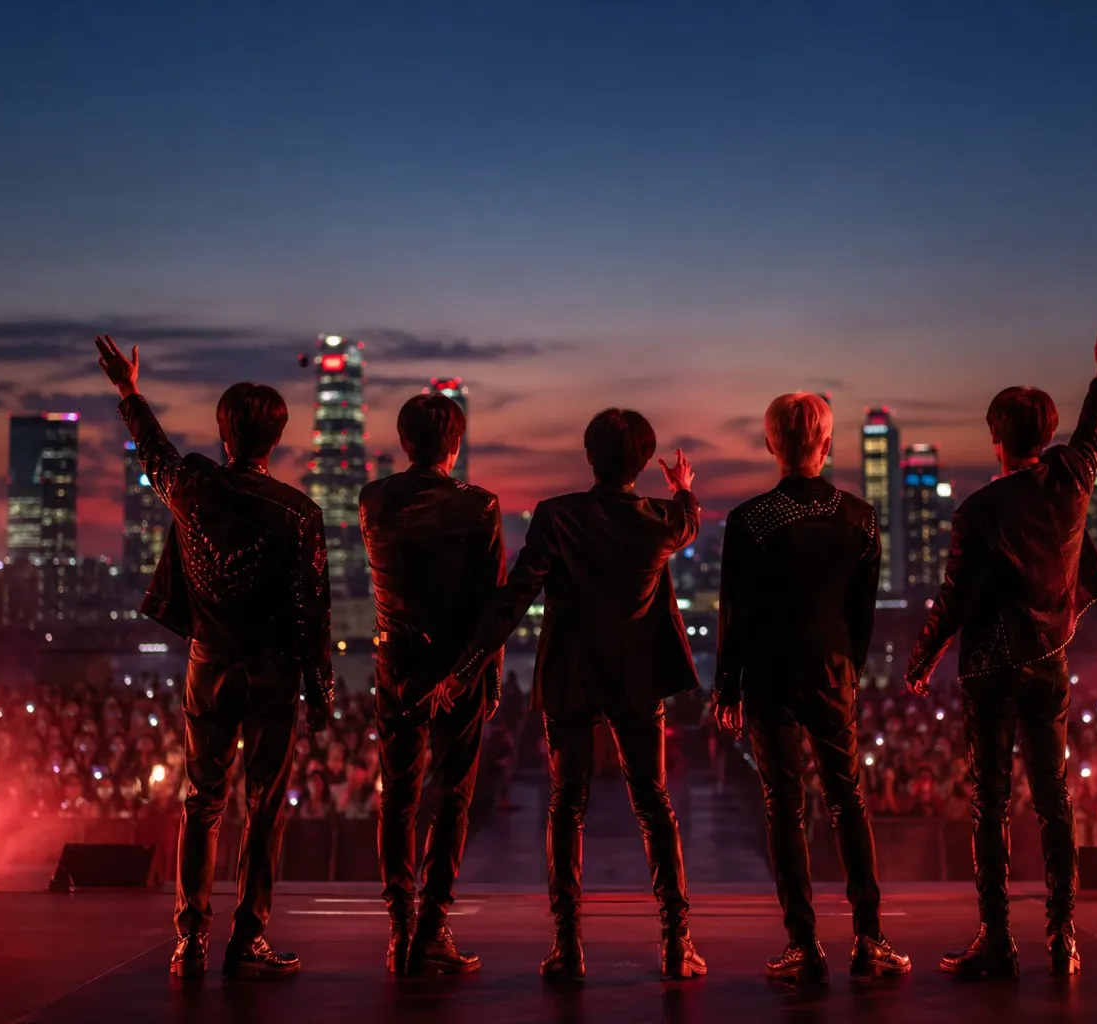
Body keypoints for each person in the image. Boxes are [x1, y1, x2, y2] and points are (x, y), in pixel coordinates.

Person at [95, 336, 333, 981]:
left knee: (202, 802)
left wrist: (129, 390)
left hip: (209, 666)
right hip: (273, 674)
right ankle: (248, 938)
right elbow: (312, 613)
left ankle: (190, 940)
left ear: (225, 434)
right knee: (264, 809)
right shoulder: (299, 514)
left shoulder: (192, 488)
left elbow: (154, 451)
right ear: (275, 439)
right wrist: (321, 695)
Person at [905, 316, 1097, 979]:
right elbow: (1094, 433)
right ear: (1046, 436)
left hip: (991, 668)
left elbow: (953, 600)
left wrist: (921, 660)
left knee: (992, 803)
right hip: (1049, 659)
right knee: (1055, 799)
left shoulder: (977, 512)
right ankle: (1063, 937)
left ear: (997, 439)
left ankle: (997, 939)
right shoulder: (1072, 477)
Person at [444, 409, 707, 982]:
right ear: (643, 462)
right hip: (637, 677)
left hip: (570, 675)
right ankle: (675, 940)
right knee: (654, 803)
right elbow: (688, 522)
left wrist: (467, 665)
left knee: (567, 805)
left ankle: (567, 946)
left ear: (590, 457)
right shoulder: (659, 519)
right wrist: (683, 488)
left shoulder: (557, 517)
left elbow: (515, 597)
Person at [712, 392, 910, 983]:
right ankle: (870, 939)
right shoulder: (860, 518)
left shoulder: (749, 521)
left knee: (784, 807)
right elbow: (862, 613)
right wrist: (851, 670)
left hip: (768, 675)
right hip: (832, 671)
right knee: (848, 800)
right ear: (826, 445)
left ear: (771, 443)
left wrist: (726, 687)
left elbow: (735, 614)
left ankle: (802, 945)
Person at [359, 392, 506, 975]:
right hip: (456, 668)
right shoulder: (480, 506)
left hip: (395, 662)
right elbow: (491, 605)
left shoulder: (373, 499)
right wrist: (488, 676)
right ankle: (432, 926)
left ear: (404, 442)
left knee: (398, 795)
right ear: (456, 445)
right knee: (452, 797)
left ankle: (399, 926)